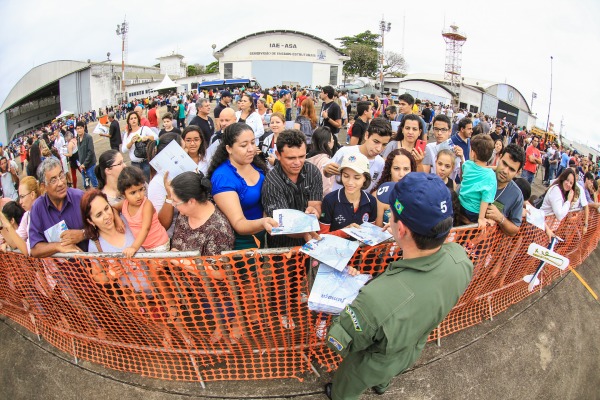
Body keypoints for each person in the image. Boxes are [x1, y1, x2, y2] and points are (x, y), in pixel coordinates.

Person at [324, 172, 473, 399]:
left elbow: (338, 340)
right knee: (388, 371)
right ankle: (382, 386)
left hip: (370, 362)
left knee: (346, 386)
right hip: (412, 347)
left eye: (391, 214)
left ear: (401, 229)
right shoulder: (461, 258)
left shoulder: (375, 300)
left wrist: (349, 302)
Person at [208, 123, 278, 250]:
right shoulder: (223, 178)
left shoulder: (254, 164)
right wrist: (263, 222)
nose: (251, 149)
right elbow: (239, 224)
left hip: (261, 235)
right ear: (229, 148)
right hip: (241, 244)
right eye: (244, 145)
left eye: (253, 142)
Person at [261, 130, 322, 248]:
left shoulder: (313, 172)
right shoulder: (272, 182)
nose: (298, 162)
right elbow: (282, 225)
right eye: (291, 158)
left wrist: (315, 212)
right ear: (278, 155)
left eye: (302, 156)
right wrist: (308, 230)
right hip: (282, 248)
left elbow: (316, 205)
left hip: (309, 242)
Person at [28, 158, 89, 257]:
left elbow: (101, 226)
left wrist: (83, 234)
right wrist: (58, 246)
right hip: (59, 271)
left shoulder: (80, 197)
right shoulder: (38, 208)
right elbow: (35, 249)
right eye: (53, 180)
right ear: (43, 187)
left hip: (91, 267)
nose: (60, 183)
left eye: (61, 175)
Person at [168, 171, 235, 254]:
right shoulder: (185, 212)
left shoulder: (218, 230)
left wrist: (180, 260)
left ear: (191, 202)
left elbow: (216, 266)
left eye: (175, 201)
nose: (173, 204)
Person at [324, 118, 392, 193]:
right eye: (376, 142)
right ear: (366, 135)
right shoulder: (345, 152)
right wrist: (327, 170)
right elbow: (327, 173)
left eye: (384, 144)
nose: (379, 149)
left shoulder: (381, 163)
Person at [117, 166, 170, 256]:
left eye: (141, 189)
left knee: (154, 269)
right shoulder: (124, 204)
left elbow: (145, 229)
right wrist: (117, 220)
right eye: (133, 192)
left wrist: (133, 247)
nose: (139, 196)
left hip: (159, 244)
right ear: (123, 194)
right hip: (144, 246)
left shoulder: (146, 205)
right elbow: (112, 208)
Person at [320, 153, 377, 234]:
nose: (350, 182)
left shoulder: (371, 201)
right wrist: (345, 232)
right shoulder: (329, 200)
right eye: (346, 176)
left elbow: (371, 233)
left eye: (356, 178)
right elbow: (322, 236)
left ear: (365, 178)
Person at [484, 144, 526, 236]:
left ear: (517, 172)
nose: (505, 171)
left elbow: (514, 230)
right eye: (504, 164)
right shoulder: (482, 175)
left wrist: (500, 218)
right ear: (500, 158)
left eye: (511, 169)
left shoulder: (516, 195)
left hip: (485, 246)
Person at [458, 134, 497, 226]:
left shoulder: (467, 165)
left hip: (461, 205)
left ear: (473, 153)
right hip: (474, 212)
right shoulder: (490, 175)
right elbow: (486, 198)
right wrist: (481, 218)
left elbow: (463, 175)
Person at [373, 148, 416, 227]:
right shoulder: (379, 195)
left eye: (406, 169)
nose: (401, 174)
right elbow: (377, 230)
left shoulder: (418, 194)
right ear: (389, 169)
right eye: (396, 168)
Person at [122, 111, 157, 182]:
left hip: (146, 162)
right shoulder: (127, 134)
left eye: (135, 118)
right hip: (135, 164)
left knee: (148, 182)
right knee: (138, 183)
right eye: (131, 119)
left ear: (138, 119)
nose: (133, 120)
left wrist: (147, 137)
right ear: (128, 121)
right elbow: (124, 150)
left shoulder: (144, 129)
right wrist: (131, 142)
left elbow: (156, 137)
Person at [306, 127, 336, 197]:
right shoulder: (326, 162)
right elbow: (325, 189)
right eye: (332, 138)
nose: (333, 140)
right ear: (328, 142)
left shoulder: (308, 157)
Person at [75, 121, 98, 189]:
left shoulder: (88, 137)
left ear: (84, 128)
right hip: (83, 167)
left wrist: (85, 164)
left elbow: (90, 152)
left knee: (95, 184)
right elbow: (80, 152)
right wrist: (81, 164)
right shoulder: (78, 138)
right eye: (77, 128)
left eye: (80, 128)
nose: (79, 130)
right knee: (86, 185)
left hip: (90, 165)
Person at [319, 86, 342, 152]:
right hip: (322, 135)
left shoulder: (335, 106)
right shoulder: (323, 104)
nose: (320, 94)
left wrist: (327, 118)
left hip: (330, 137)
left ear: (326, 94)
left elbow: (338, 124)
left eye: (322, 92)